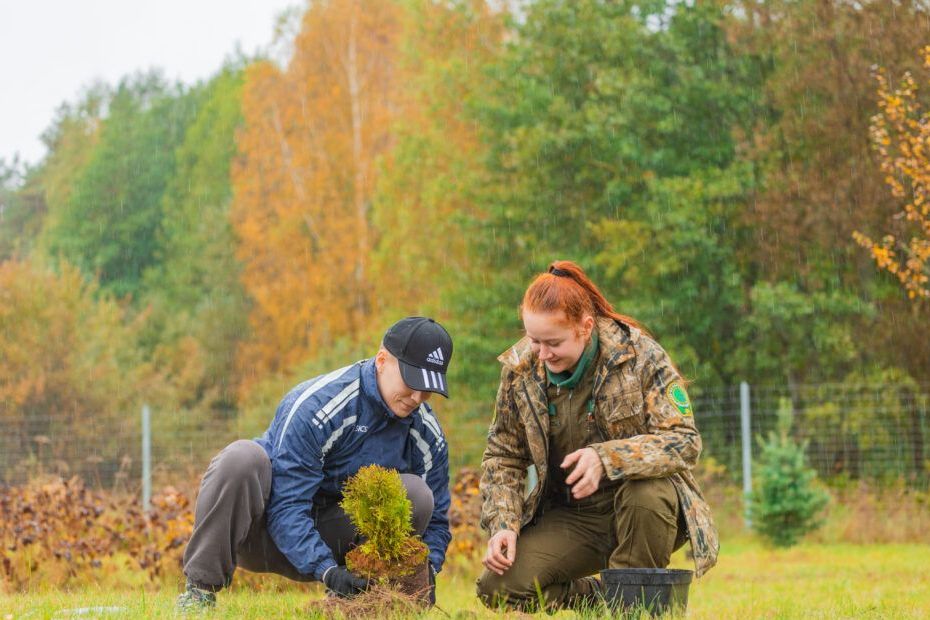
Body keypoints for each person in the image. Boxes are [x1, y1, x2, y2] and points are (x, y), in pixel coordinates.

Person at [476, 261, 718, 612]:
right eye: (534, 340)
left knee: (644, 494)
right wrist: (504, 524)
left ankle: (634, 607)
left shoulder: (639, 355)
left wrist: (606, 458)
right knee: (498, 587)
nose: (542, 354)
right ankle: (600, 597)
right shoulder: (521, 370)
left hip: (645, 509)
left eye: (553, 342)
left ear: (585, 327)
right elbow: (503, 455)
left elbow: (684, 441)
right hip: (572, 516)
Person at [176, 317, 454, 610]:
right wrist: (327, 571)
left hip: (335, 539)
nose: (417, 397)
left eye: (427, 390)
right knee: (241, 458)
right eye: (411, 382)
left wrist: (428, 571)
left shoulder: (425, 432)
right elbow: (286, 505)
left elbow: (437, 522)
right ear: (382, 360)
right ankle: (200, 593)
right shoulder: (320, 405)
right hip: (260, 532)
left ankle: (363, 603)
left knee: (417, 494)